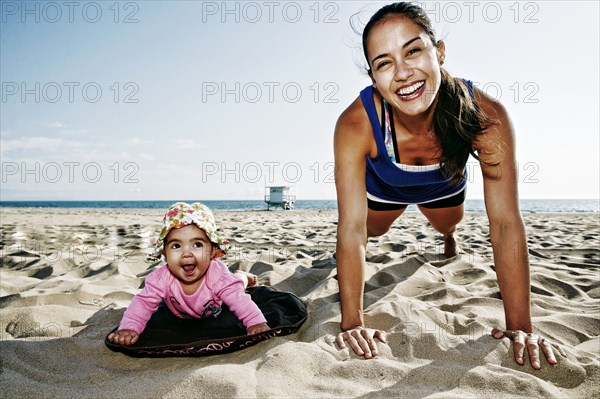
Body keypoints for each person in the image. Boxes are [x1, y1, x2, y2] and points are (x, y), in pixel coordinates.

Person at [333, 2, 565, 368]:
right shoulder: (355, 122)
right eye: (384, 63)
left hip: (443, 185)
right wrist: (353, 323)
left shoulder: (486, 115)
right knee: (372, 231)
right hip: (385, 188)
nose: (403, 73)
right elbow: (351, 228)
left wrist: (521, 327)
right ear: (373, 77)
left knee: (447, 223)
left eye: (413, 51)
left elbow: (505, 223)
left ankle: (448, 237)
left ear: (438, 52)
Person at [108, 202, 270, 345]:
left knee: (237, 284)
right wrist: (129, 328)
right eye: (176, 246)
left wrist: (255, 323)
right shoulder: (161, 278)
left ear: (213, 250)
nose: (186, 254)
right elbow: (143, 302)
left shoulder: (218, 276)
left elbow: (238, 299)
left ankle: (243, 276)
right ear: (164, 252)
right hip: (181, 312)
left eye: (197, 244)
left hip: (219, 299)